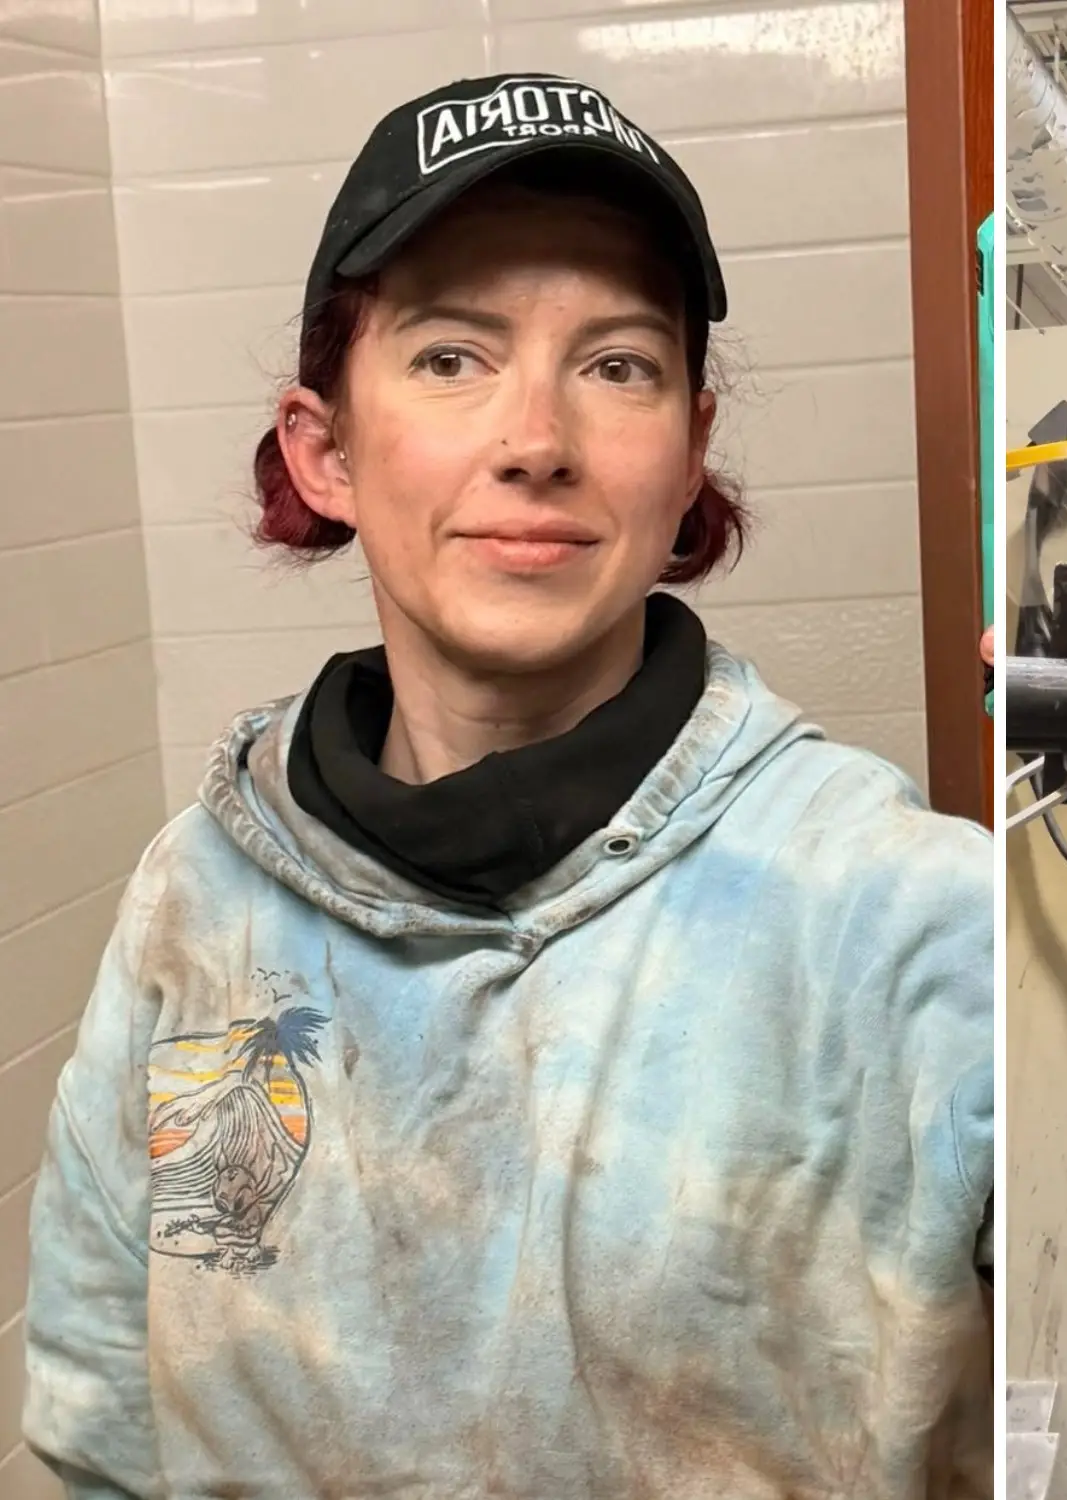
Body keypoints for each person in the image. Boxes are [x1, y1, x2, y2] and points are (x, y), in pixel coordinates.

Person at [22, 73, 994, 1499]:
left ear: (689, 455)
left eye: (618, 366)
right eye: (450, 357)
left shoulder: (907, 916)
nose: (536, 439)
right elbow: (106, 1422)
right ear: (324, 450)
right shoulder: (202, 899)